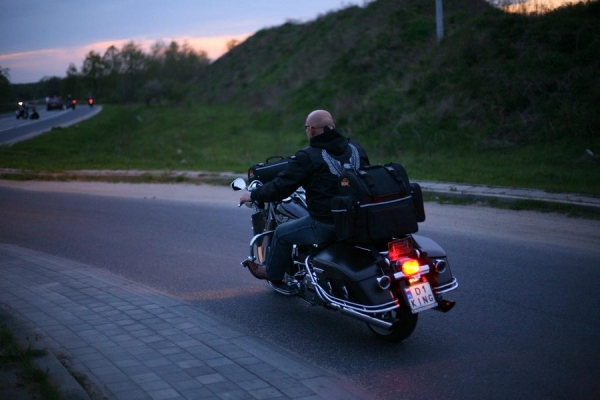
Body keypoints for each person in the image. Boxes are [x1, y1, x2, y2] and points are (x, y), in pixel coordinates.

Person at [239, 109, 370, 285]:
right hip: (359, 217)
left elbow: (280, 188)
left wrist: (253, 195)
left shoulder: (308, 156)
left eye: (306, 128)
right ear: (332, 127)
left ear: (311, 130)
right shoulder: (355, 148)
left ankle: (272, 273)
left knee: (281, 234)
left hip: (326, 223)